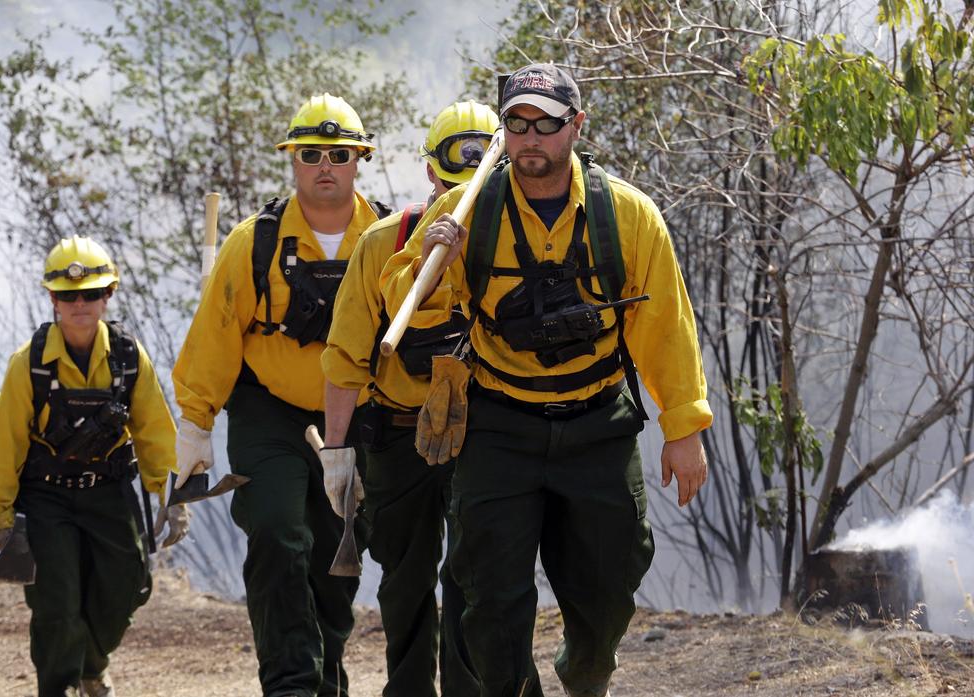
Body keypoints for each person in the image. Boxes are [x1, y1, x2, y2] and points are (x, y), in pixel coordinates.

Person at [379, 63, 713, 697]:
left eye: (546, 124)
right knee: (488, 595)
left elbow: (665, 325)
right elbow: (401, 303)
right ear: (503, 132)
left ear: (575, 127)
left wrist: (684, 428)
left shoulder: (628, 215)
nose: (531, 137)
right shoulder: (465, 211)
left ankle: (585, 675)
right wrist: (429, 256)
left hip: (598, 422)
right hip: (499, 423)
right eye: (516, 123)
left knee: (611, 582)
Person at [172, 93, 390, 697]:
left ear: (358, 160)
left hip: (360, 418)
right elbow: (214, 337)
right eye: (311, 153)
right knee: (276, 533)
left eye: (339, 153)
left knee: (338, 552)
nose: (326, 165)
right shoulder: (254, 243)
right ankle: (291, 684)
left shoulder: (393, 240)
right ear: (292, 160)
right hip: (269, 415)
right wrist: (194, 426)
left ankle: (326, 675)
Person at [320, 100, 498, 697]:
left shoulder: (512, 244)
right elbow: (345, 358)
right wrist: (338, 455)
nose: (472, 166)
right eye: (459, 155)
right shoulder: (382, 243)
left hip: (484, 433)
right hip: (397, 437)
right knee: (404, 577)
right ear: (432, 170)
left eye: (483, 151)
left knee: (475, 574)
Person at [0, 236, 184, 697]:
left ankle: (91, 666)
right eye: (68, 295)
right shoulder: (27, 364)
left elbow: (154, 432)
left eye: (91, 293)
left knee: (129, 584)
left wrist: (172, 499)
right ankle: (62, 686)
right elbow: (7, 442)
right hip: (46, 496)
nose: (80, 304)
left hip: (108, 491)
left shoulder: (130, 359)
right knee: (56, 600)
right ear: (52, 297)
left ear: (108, 295)